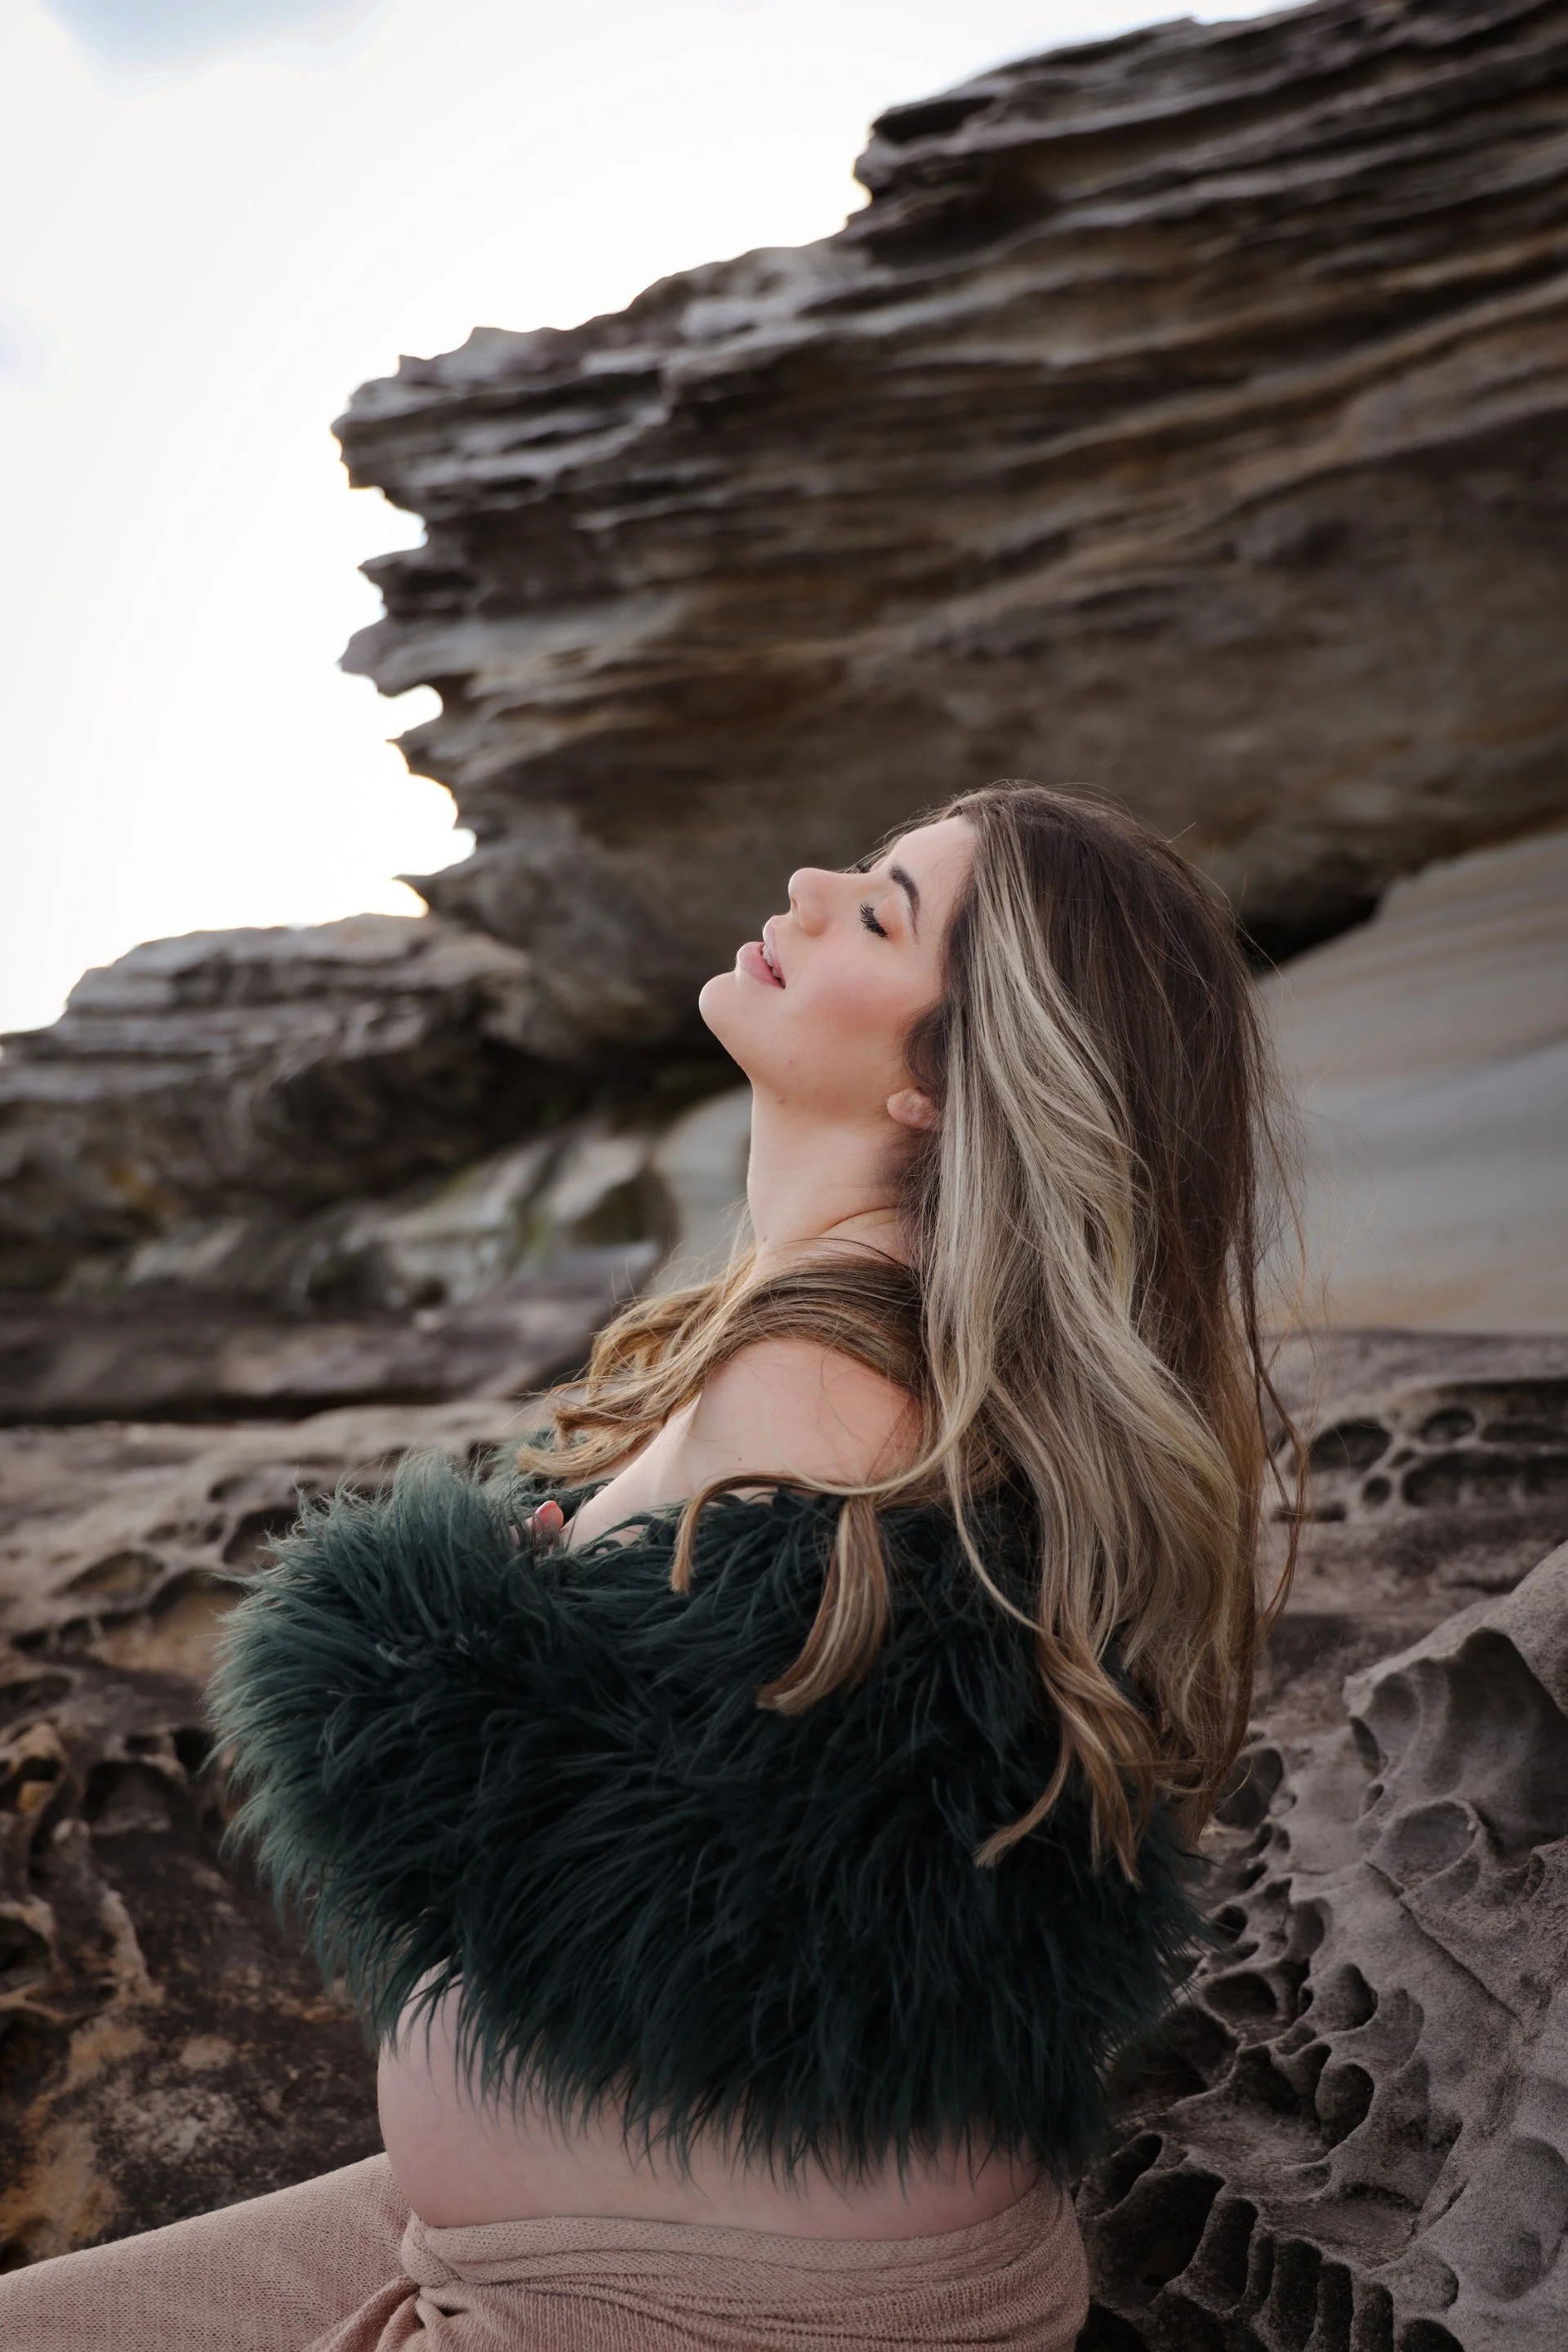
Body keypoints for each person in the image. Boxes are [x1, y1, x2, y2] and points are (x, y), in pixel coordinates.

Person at [0, 782, 1296, 2350]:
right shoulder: (819, 1348)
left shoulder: (827, 1387)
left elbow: (698, 1892)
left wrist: (424, 1656)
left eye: (880, 912)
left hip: (713, 2314)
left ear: (945, 1091)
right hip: (574, 2239)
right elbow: (750, 1809)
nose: (812, 881)